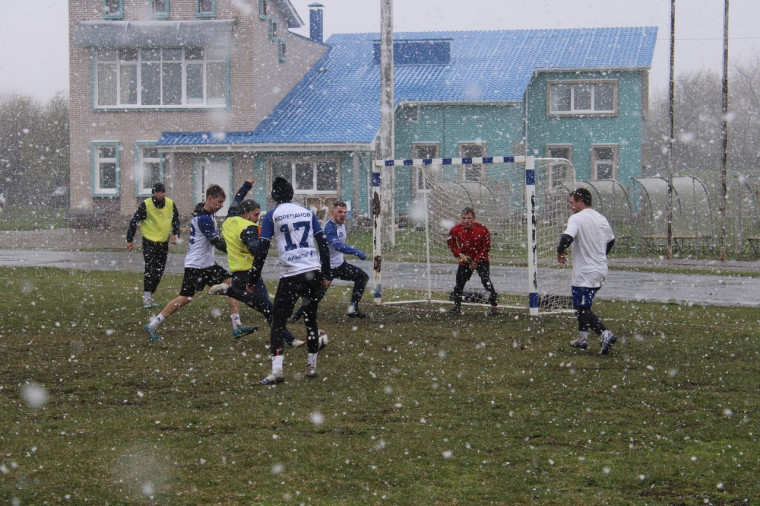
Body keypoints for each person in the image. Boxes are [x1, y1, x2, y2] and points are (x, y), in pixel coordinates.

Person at [142, 184, 257, 343]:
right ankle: (153, 325)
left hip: (208, 264)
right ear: (210, 199)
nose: (222, 205)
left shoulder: (206, 213)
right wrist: (237, 248)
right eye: (219, 201)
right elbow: (217, 242)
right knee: (184, 298)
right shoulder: (203, 218)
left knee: (234, 285)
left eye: (223, 202)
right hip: (196, 266)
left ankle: (237, 326)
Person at [247, 177, 332, 384]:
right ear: (292, 194)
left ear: (274, 196)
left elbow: (262, 249)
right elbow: (322, 243)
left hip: (291, 274)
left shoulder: (272, 215)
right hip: (312, 271)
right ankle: (311, 368)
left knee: (278, 322)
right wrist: (326, 274)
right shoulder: (306, 212)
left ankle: (277, 372)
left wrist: (253, 277)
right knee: (310, 320)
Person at [208, 178, 304, 348]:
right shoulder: (248, 227)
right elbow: (253, 246)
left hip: (239, 273)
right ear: (246, 214)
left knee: (267, 308)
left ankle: (289, 339)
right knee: (269, 309)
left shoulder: (230, 220)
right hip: (248, 274)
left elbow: (237, 199)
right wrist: (260, 248)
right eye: (256, 214)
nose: (257, 219)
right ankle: (291, 340)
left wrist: (246, 186)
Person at [557, 188, 617, 355]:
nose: (570, 206)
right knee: (582, 306)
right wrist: (599, 256)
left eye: (571, 202)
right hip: (600, 269)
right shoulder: (601, 218)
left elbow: (567, 237)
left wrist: (560, 251)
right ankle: (583, 338)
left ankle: (605, 334)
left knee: (581, 307)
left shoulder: (576, 218)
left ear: (580, 202)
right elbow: (611, 240)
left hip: (586, 272)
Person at [290, 200, 369, 321]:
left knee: (362, 277)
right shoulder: (329, 228)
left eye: (345, 212)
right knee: (316, 296)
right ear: (332, 212)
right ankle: (295, 317)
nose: (342, 214)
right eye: (339, 212)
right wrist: (356, 251)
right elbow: (337, 245)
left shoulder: (341, 224)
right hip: (327, 268)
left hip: (340, 266)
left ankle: (353, 309)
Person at [126, 182, 180, 308]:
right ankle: (146, 298)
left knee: (159, 270)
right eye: (157, 192)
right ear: (153, 193)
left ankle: (150, 293)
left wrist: (176, 234)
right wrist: (130, 239)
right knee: (150, 268)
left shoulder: (170, 204)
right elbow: (134, 221)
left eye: (162, 192)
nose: (160, 194)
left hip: (163, 242)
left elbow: (176, 220)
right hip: (149, 241)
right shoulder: (146, 205)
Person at [446, 207, 498, 316]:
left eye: (469, 218)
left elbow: (486, 247)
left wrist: (477, 259)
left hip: (481, 259)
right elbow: (450, 242)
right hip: (466, 259)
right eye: (464, 218)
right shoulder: (456, 229)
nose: (466, 221)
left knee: (486, 281)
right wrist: (460, 255)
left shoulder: (482, 229)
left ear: (473, 218)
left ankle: (494, 307)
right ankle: (457, 306)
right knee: (459, 283)